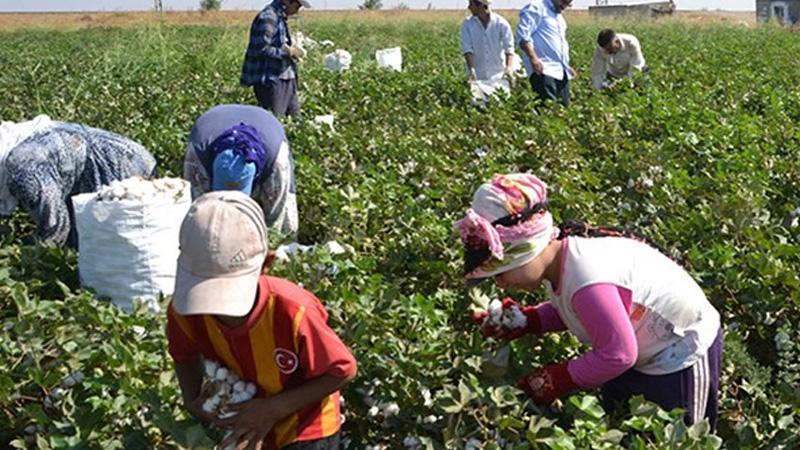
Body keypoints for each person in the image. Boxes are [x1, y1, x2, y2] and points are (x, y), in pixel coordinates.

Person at [457, 173, 723, 430]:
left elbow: (618, 355)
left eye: (501, 272)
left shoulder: (587, 278)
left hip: (680, 351)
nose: (501, 283)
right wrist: (530, 320)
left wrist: (555, 379)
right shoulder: (563, 262)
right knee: (624, 421)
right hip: (639, 344)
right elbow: (579, 310)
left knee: (676, 435)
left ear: (527, 249)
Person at [167, 191, 357, 450]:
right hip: (243, 419)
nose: (216, 311)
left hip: (305, 428)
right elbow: (183, 355)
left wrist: (273, 409)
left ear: (267, 264)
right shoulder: (184, 311)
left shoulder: (292, 310)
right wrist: (193, 400)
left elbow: (341, 370)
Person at [0, 115, 156, 247]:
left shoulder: (24, 166)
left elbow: (55, 228)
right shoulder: (15, 148)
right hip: (123, 156)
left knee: (118, 246)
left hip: (123, 167)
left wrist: (25, 259)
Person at [183, 104, 298, 235]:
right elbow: (196, 205)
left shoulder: (277, 163)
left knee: (282, 228)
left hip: (269, 133)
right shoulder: (197, 156)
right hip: (211, 127)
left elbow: (276, 220)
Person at [241, 0, 311, 117]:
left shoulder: (280, 18)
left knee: (295, 120)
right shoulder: (268, 17)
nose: (297, 10)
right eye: (297, 6)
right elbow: (262, 49)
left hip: (287, 77)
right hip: (272, 81)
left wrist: (293, 53)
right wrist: (289, 52)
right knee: (276, 122)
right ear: (287, 1)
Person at [516, 0, 576, 107]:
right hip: (543, 69)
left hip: (561, 71)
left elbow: (557, 43)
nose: (564, 6)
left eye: (568, 4)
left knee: (564, 109)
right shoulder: (536, 8)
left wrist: (566, 65)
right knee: (547, 109)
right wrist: (533, 58)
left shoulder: (559, 17)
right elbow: (523, 36)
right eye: (564, 2)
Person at [460, 0, 516, 84]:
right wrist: (471, 68)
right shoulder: (468, 24)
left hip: (499, 75)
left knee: (501, 96)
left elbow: (509, 48)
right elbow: (467, 48)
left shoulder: (501, 23)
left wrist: (509, 67)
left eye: (471, 4)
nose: (469, 7)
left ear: (481, 5)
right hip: (477, 76)